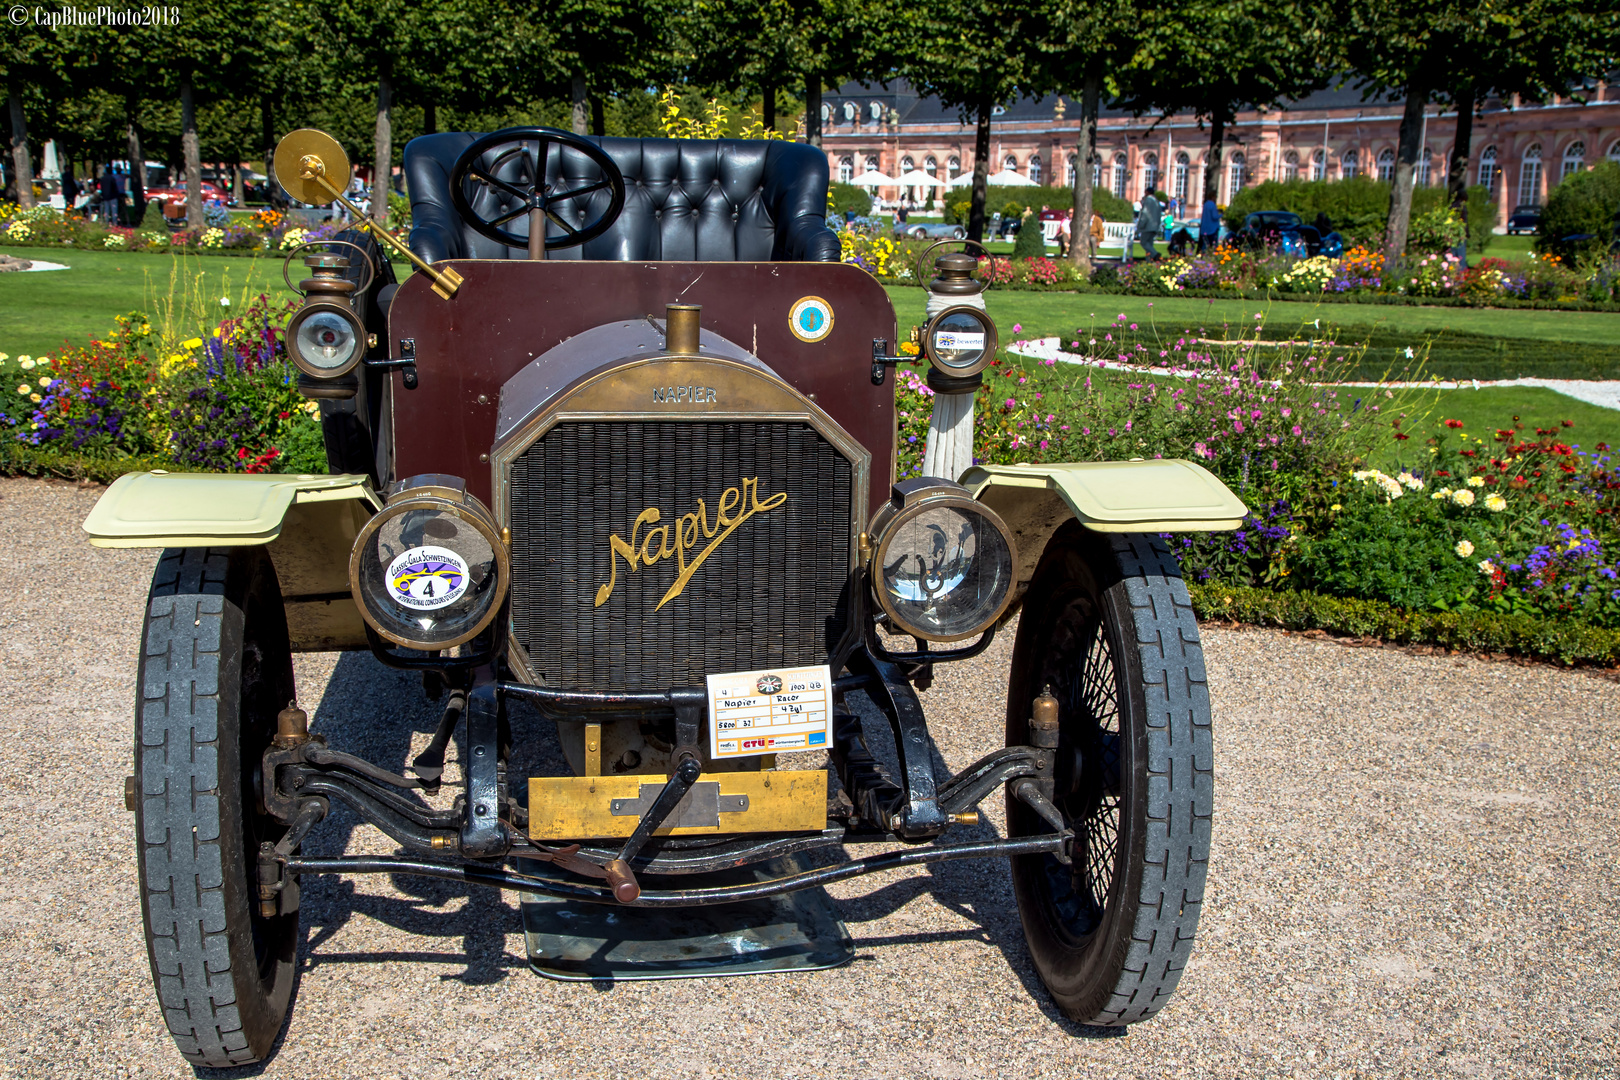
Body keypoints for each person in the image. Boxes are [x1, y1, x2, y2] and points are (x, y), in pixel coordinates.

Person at [1134, 191, 1162, 261]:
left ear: (1147, 192)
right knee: (1149, 243)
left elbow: (1145, 214)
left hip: (1148, 226)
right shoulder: (1156, 201)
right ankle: (1149, 259)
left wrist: (1140, 225)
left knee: (1144, 242)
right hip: (1155, 225)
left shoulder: (1148, 201)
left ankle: (1155, 254)